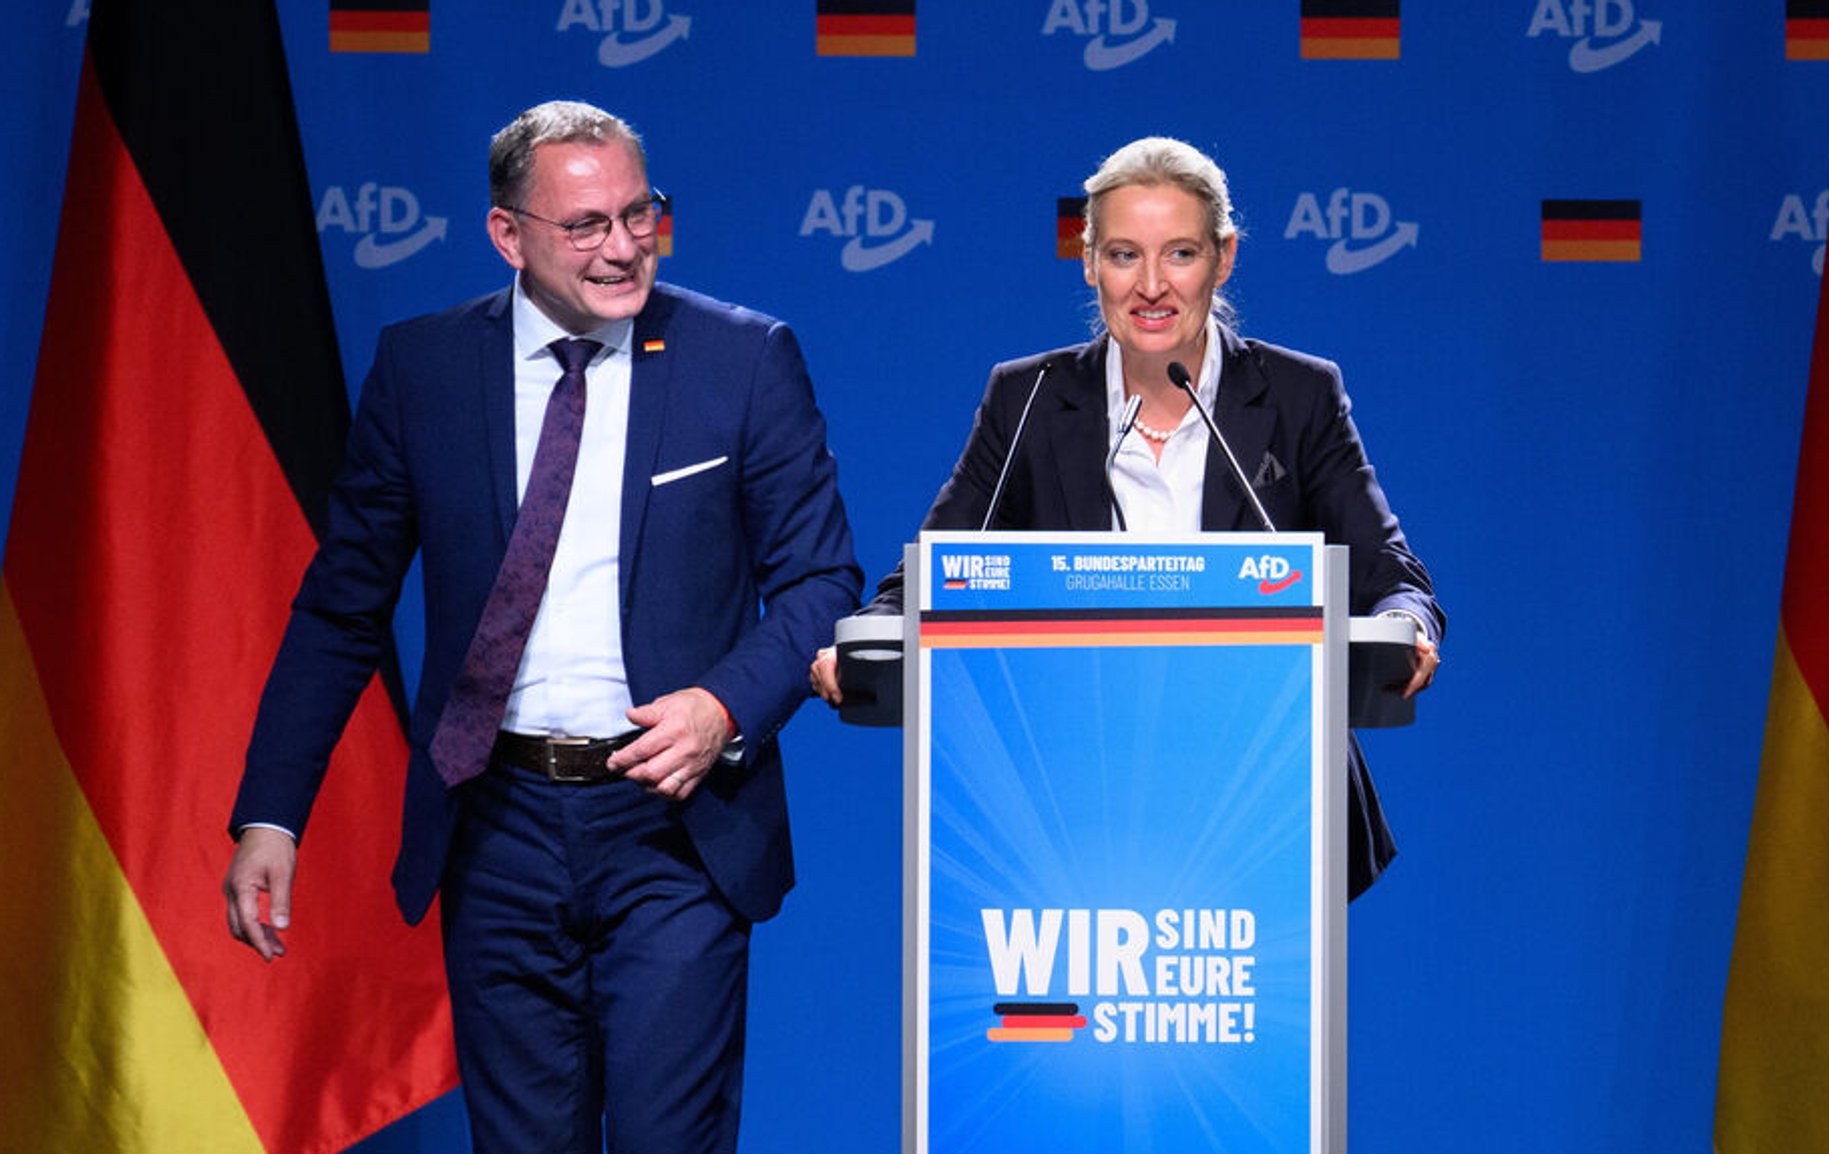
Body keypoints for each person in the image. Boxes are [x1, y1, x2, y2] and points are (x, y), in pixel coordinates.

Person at [221, 100, 861, 1153]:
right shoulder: (423, 369)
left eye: (637, 212)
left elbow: (817, 578)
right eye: (585, 226)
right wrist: (271, 813)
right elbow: (344, 603)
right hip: (496, 826)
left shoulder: (741, 360)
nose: (622, 246)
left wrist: (721, 705)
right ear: (506, 234)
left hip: (674, 826)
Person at [811, 135, 1440, 898]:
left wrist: (1407, 623)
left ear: (1224, 257)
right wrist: (873, 637)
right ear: (1088, 263)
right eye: (1122, 255)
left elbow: (1389, 573)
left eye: (1179, 254)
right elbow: (934, 571)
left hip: (1267, 806)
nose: (1151, 286)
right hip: (1068, 810)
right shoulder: (1030, 400)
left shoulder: (1299, 397)